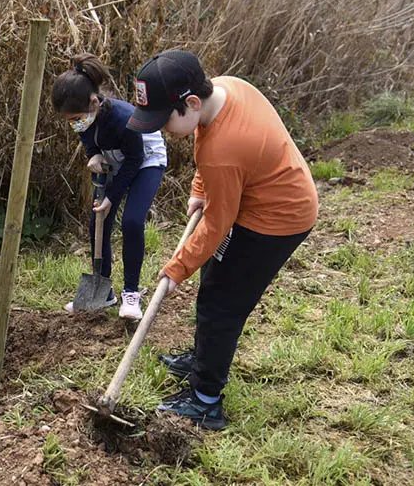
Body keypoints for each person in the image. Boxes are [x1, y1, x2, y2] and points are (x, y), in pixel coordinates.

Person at [127, 50, 318, 430]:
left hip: (276, 219)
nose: (162, 129)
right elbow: (206, 147)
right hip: (261, 197)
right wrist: (200, 187)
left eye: (165, 120)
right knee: (214, 284)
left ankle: (205, 400)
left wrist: (176, 267)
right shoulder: (229, 89)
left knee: (222, 304)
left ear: (192, 102)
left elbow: (216, 225)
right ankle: (203, 358)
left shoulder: (225, 151)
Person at [52, 53, 167, 319]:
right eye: (69, 120)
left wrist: (112, 196)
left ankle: (131, 294)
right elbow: (87, 136)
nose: (74, 124)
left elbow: (135, 158)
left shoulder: (124, 118)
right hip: (115, 159)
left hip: (145, 158)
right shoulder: (83, 116)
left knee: (132, 221)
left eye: (76, 117)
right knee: (98, 223)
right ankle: (103, 292)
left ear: (94, 101)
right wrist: (93, 153)